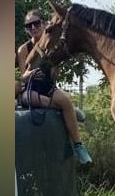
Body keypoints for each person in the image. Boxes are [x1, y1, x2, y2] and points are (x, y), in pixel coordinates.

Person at [17, 9, 91, 164]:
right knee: (27, 97)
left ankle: (78, 146)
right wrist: (31, 73)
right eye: (28, 26)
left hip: (48, 86)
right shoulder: (23, 49)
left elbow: (55, 73)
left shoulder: (52, 43)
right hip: (31, 89)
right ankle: (66, 110)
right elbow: (23, 77)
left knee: (64, 100)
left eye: (36, 24)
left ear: (43, 24)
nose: (33, 28)